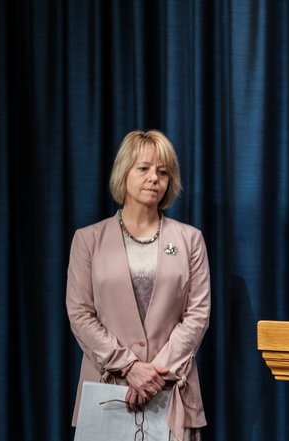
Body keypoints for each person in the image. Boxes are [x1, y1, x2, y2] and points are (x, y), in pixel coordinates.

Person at [67, 130, 210, 441]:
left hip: (172, 392)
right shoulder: (88, 239)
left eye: (162, 172)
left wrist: (154, 375)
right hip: (107, 392)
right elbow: (80, 314)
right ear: (124, 173)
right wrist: (130, 367)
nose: (153, 178)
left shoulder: (190, 240)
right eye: (143, 168)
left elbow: (198, 316)